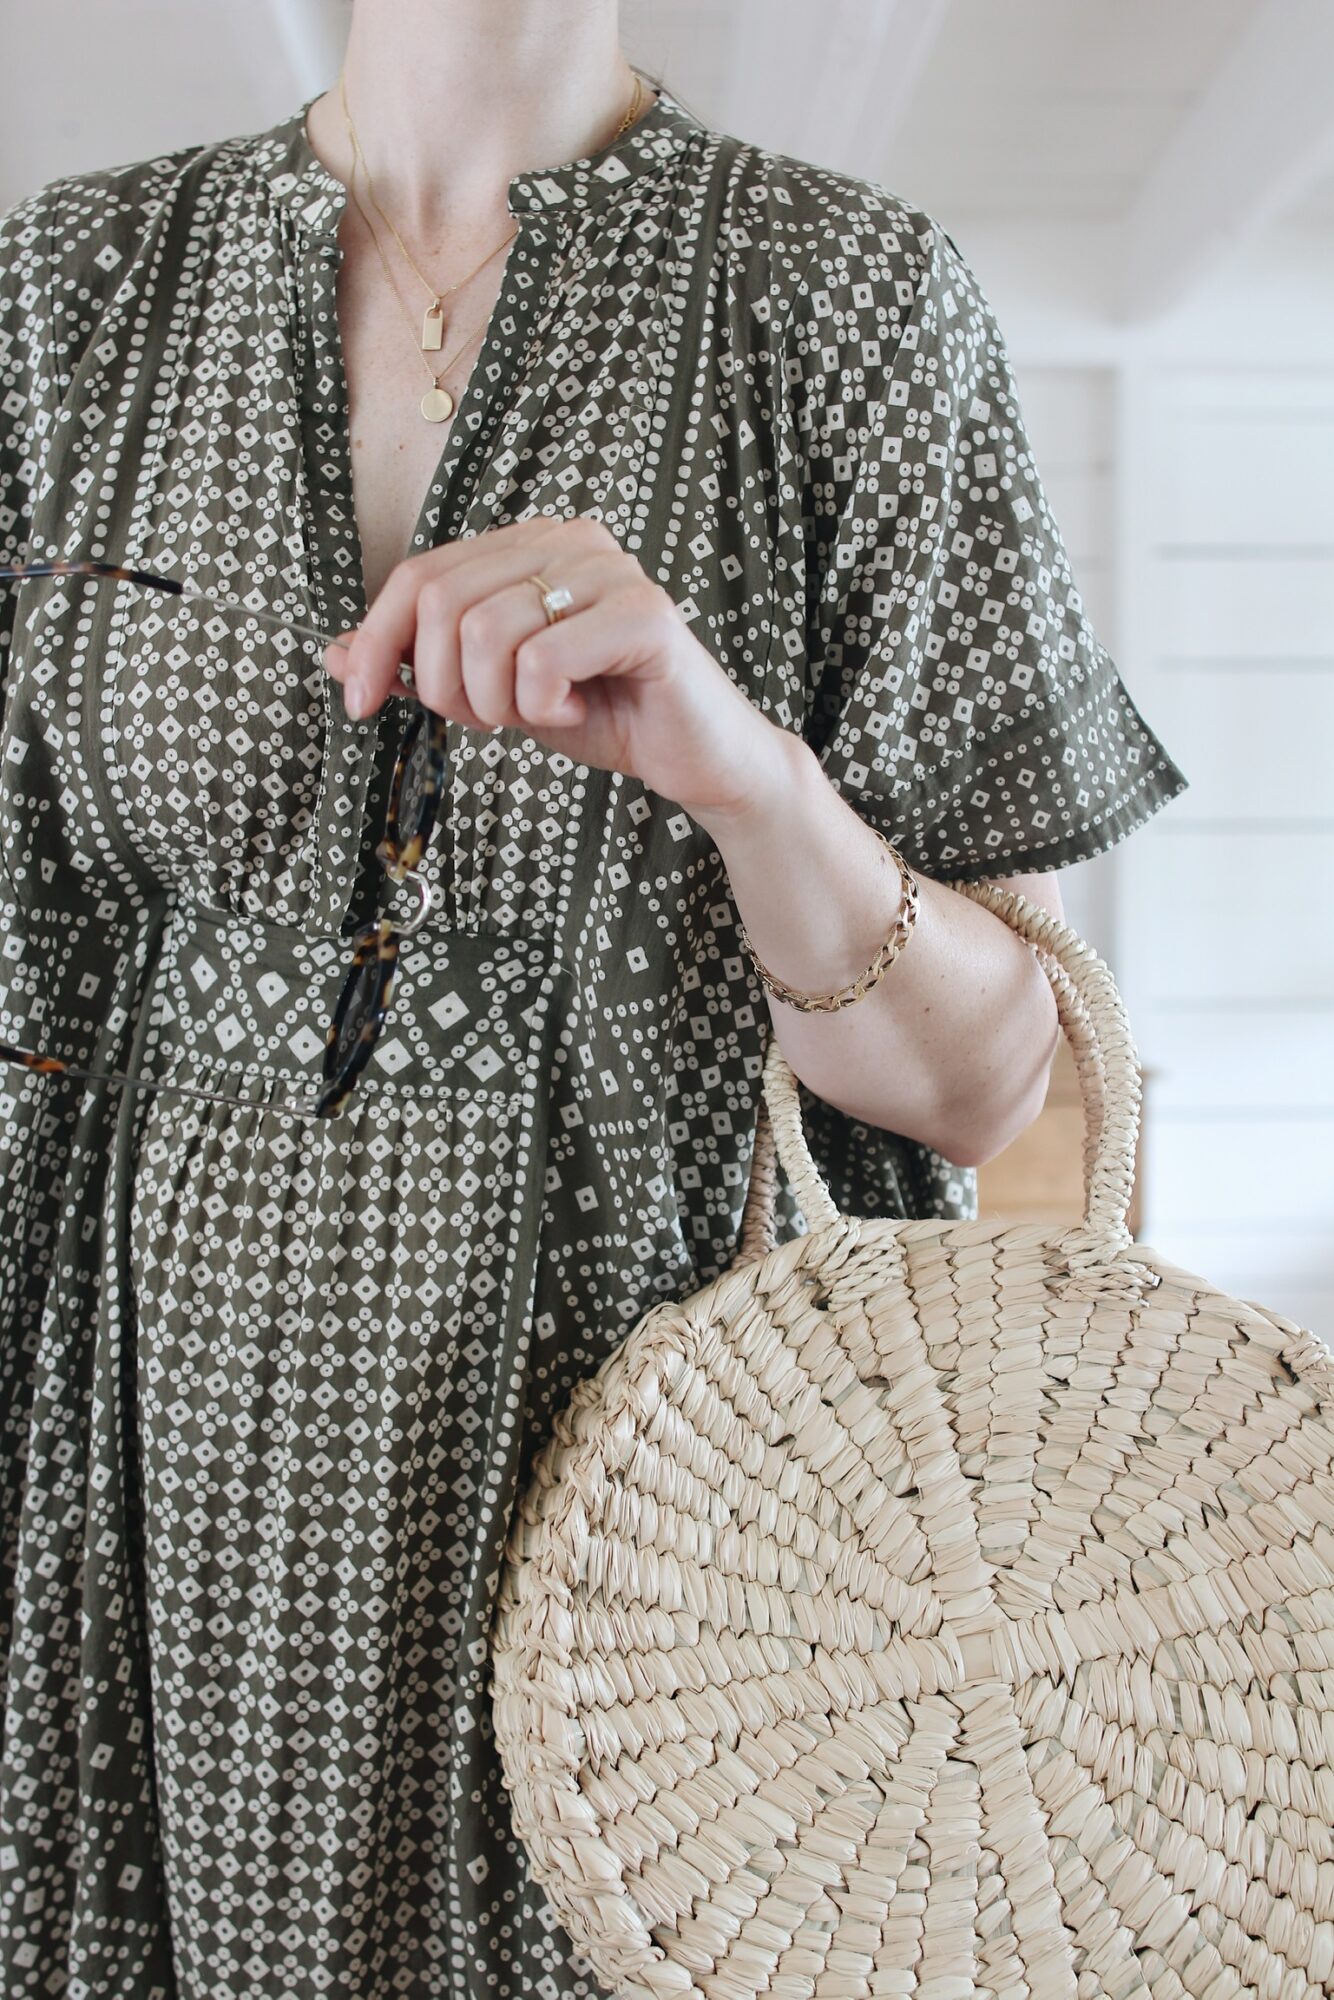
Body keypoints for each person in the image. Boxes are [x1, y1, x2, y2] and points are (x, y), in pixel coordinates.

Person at [0, 2, 1190, 1994]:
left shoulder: (845, 297)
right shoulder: (67, 289)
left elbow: (1002, 1091)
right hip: (134, 1550)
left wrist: (750, 776)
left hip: (662, 1551)